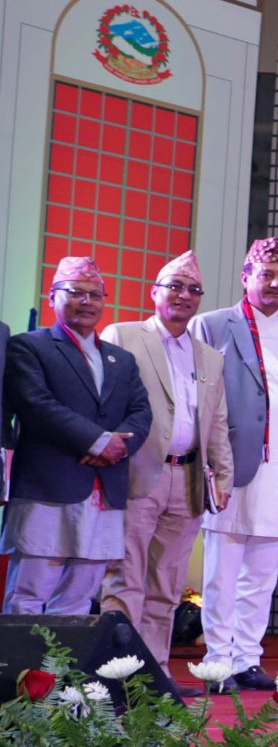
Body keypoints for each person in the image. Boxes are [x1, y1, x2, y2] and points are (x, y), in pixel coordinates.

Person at [191, 239, 278, 693]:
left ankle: (247, 658)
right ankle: (218, 662)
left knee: (262, 572)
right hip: (232, 463)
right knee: (222, 572)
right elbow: (199, 396)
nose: (276, 284)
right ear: (246, 278)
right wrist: (209, 461)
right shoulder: (213, 324)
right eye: (266, 275)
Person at [100, 251, 231, 668]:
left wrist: (223, 477)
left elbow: (217, 421)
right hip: (137, 473)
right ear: (154, 292)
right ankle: (118, 674)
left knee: (166, 587)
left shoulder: (209, 356)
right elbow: (104, 403)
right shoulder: (124, 335)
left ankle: (153, 675)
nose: (184, 295)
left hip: (188, 479)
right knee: (124, 579)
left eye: (193, 289)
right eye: (174, 286)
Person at [2, 256, 150, 615]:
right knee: (28, 596)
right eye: (76, 293)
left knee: (79, 599)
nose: (87, 302)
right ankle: (20, 657)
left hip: (105, 489)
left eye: (95, 295)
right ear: (52, 296)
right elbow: (36, 404)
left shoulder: (122, 359)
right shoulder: (29, 346)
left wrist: (119, 447)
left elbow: (142, 412)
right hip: (48, 487)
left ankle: (64, 657)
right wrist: (99, 441)